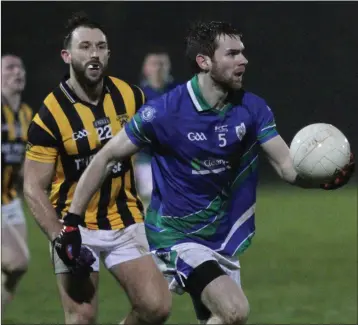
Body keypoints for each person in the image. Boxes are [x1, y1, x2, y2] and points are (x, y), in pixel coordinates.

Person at [57, 21, 355, 325]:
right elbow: (106, 157)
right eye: (232, 54)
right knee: (234, 310)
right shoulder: (164, 113)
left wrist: (322, 180)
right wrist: (71, 222)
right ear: (204, 61)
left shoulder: (252, 109)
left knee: (216, 318)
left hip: (224, 240)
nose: (244, 60)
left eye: (243, 53)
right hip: (177, 237)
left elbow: (286, 166)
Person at [23, 13, 171, 325]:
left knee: (155, 308)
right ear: (67, 55)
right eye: (85, 46)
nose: (94, 54)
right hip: (74, 226)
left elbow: (166, 140)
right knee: (81, 319)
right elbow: (33, 186)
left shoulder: (131, 97)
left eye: (101, 47)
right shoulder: (50, 114)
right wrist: (60, 238)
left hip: (124, 218)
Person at [1, 54, 32, 313]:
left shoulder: (25, 114)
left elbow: (23, 162)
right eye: (9, 67)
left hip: (10, 198)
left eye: (20, 67)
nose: (17, 72)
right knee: (17, 262)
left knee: (17, 269)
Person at [135, 50, 177, 209]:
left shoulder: (178, 92)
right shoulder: (138, 95)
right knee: (154, 199)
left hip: (175, 157)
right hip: (147, 158)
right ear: (146, 69)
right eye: (154, 64)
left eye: (162, 64)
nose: (158, 68)